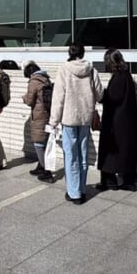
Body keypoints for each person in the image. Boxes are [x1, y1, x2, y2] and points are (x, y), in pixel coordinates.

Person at [49, 43, 104, 204]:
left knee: (71, 156)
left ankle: (74, 193)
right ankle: (81, 189)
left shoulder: (64, 69)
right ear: (83, 53)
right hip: (85, 118)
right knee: (83, 154)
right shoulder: (91, 70)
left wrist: (53, 121)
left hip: (69, 118)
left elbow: (58, 98)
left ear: (70, 53)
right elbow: (100, 94)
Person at [97, 49, 137, 192]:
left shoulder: (118, 78)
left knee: (110, 151)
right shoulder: (126, 75)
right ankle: (129, 180)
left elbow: (113, 98)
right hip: (127, 121)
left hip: (115, 122)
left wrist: (101, 95)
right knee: (126, 150)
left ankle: (109, 181)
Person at [22, 60, 54, 182]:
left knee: (38, 144)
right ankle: (41, 167)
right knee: (43, 142)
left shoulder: (34, 82)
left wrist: (24, 98)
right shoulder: (46, 79)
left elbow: (30, 101)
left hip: (39, 115)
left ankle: (47, 172)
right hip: (47, 113)